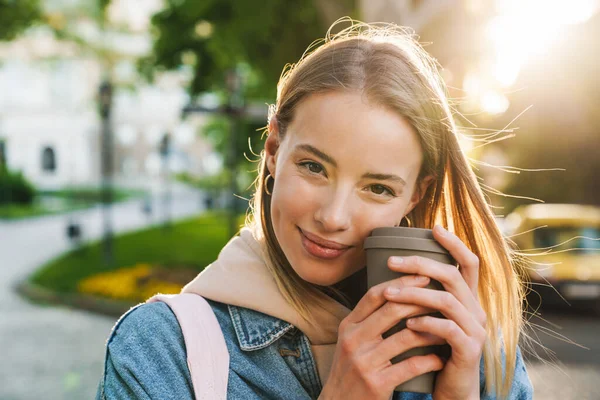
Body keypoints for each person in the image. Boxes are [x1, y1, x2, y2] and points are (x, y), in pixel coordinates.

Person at [96, 20, 533, 400]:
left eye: (378, 188)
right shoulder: (160, 349)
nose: (334, 217)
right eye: (313, 167)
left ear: (415, 196)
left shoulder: (475, 353)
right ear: (273, 150)